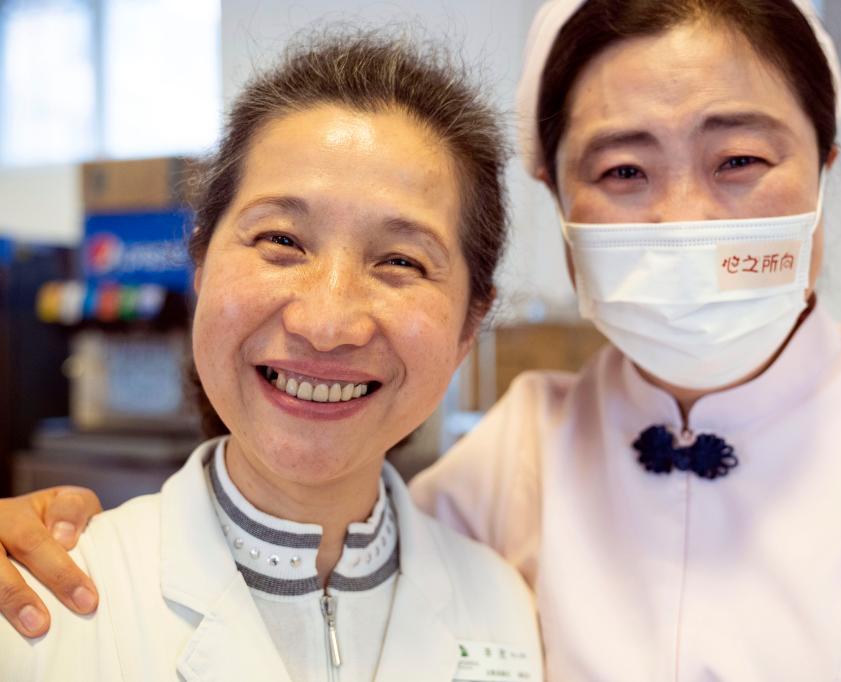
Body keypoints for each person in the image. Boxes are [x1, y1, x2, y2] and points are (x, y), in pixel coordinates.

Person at [2, 1, 841, 680]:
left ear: (825, 163)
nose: (682, 217)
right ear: (559, 199)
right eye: (623, 171)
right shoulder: (514, 457)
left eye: (740, 159)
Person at [0, 32, 542, 682]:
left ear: (468, 326)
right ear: (201, 265)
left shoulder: (507, 612)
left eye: (401, 260)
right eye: (281, 240)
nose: (327, 323)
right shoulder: (35, 609)